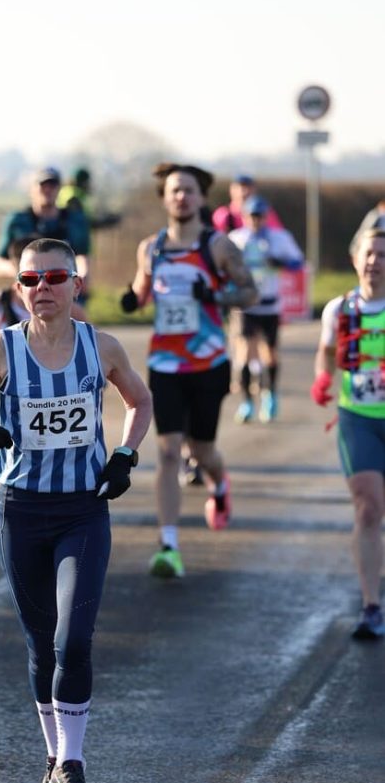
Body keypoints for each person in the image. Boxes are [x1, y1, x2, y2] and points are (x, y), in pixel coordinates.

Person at [0, 238, 152, 783]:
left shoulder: (100, 346)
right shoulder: (0, 349)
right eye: (32, 280)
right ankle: (54, 763)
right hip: (22, 511)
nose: (44, 290)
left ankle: (73, 767)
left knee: (72, 639)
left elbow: (140, 401)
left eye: (56, 278)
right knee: (40, 647)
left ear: (76, 284)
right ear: (19, 289)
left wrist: (125, 456)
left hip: (82, 509)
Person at [121, 162, 257, 579]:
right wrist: (131, 300)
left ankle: (219, 484)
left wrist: (214, 292)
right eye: (175, 190)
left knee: (201, 451)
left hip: (209, 361)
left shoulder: (218, 247)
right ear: (165, 197)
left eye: (189, 190)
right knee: (166, 451)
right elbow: (143, 289)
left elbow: (249, 292)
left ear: (201, 198)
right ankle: (169, 545)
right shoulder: (152, 248)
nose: (181, 197)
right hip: (165, 362)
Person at [311, 227, 385, 640]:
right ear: (356, 259)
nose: (375, 261)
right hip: (357, 416)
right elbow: (326, 350)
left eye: (382, 254)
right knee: (369, 508)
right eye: (369, 253)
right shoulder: (339, 309)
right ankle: (372, 605)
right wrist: (323, 378)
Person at [0, 235, 87, 423]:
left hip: (61, 394)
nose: (42, 285)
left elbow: (87, 347)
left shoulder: (71, 308)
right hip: (11, 391)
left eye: (53, 276)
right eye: (30, 277)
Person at [228, 195, 304, 423]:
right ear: (244, 217)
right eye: (252, 216)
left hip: (270, 304)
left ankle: (269, 394)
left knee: (269, 354)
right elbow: (222, 267)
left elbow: (298, 262)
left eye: (260, 216)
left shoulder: (279, 238)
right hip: (246, 305)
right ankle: (246, 403)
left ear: (266, 217)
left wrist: (278, 262)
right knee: (244, 353)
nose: (256, 220)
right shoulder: (236, 239)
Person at [0, 167, 91, 302]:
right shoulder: (17, 221)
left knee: (76, 313)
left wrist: (83, 273)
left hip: (61, 288)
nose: (48, 189)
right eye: (42, 185)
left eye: (53, 185)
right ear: (31, 189)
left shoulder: (74, 220)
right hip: (28, 288)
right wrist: (22, 272)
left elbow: (81, 255)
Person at [212, 173, 283, 234]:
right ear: (231, 190)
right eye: (239, 188)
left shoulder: (266, 213)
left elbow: (278, 237)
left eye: (248, 188)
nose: (244, 192)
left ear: (254, 190)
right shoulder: (222, 215)